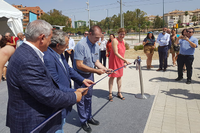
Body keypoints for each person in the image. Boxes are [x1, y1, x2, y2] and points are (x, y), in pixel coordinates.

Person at [6, 20, 88, 133]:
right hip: (32, 123)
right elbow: (48, 95)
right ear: (42, 38)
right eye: (50, 38)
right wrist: (74, 96)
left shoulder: (26, 52)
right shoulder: (28, 60)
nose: (51, 42)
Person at [43, 29, 94, 133]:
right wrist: (75, 92)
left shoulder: (59, 53)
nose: (67, 47)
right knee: (57, 128)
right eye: (66, 45)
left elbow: (69, 70)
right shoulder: (48, 57)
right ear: (57, 45)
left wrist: (83, 80)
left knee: (61, 125)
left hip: (63, 99)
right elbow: (55, 85)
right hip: (57, 102)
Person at [73, 25, 113, 133]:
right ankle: (83, 121)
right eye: (96, 37)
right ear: (90, 34)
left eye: (100, 37)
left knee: (89, 97)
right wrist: (96, 71)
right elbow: (79, 65)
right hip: (80, 76)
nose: (98, 40)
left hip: (90, 74)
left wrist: (105, 69)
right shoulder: (81, 45)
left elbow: (96, 62)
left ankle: (89, 117)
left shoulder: (96, 46)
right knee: (81, 100)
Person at [108, 28, 130, 102]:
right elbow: (116, 53)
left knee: (119, 76)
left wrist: (123, 61)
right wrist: (125, 60)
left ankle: (119, 92)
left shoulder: (123, 41)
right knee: (112, 76)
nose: (122, 36)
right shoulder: (114, 40)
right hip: (114, 60)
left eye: (123, 34)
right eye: (121, 34)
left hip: (120, 60)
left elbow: (123, 52)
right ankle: (110, 93)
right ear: (118, 33)